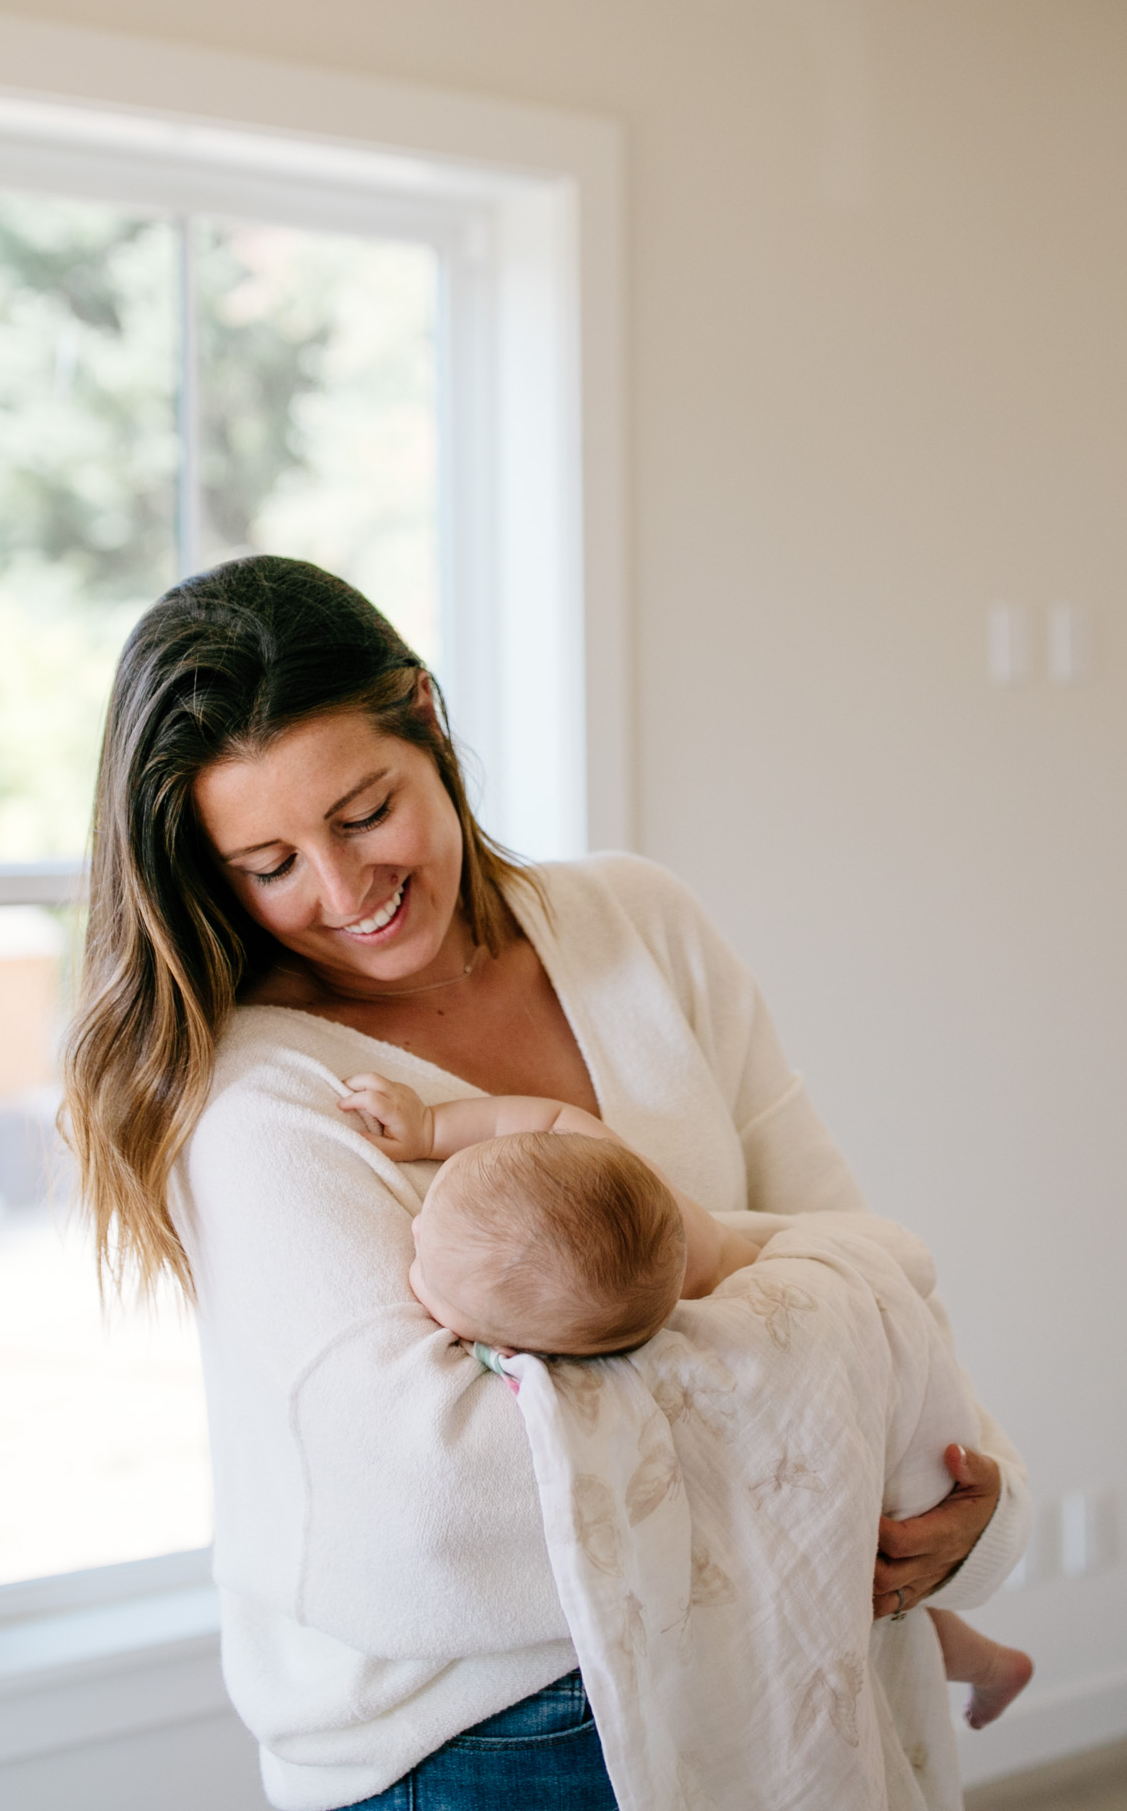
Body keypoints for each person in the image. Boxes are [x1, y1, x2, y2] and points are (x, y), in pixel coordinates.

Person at [63, 554, 1030, 1811]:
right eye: (270, 864)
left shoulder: (641, 925)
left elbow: (867, 1253)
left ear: (425, 715)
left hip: (800, 1637)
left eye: (363, 813)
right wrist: (807, 1354)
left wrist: (957, 1487)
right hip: (495, 1727)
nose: (344, 890)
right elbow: (441, 1508)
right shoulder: (256, 1095)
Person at [338, 1069, 1035, 1730]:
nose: (417, 1228)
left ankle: (988, 1662)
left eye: (427, 1265)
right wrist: (431, 1131)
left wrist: (431, 1140)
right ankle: (991, 1662)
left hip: (819, 1341)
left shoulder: (598, 1328)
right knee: (851, 1593)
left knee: (856, 1590)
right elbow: (549, 1118)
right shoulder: (616, 1207)